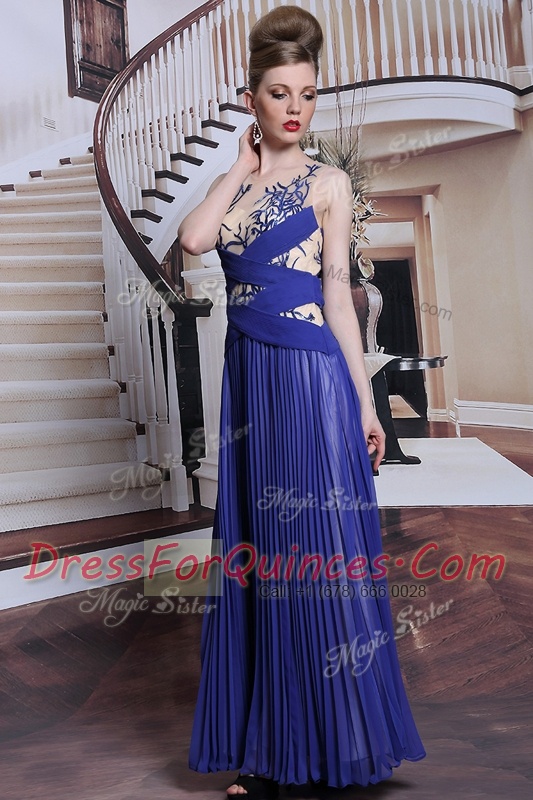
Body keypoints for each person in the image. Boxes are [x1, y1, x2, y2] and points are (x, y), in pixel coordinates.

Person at [178, 6, 426, 799]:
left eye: (308, 94)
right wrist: (235, 168)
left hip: (311, 380)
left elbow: (339, 299)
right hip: (249, 380)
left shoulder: (328, 183)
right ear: (250, 100)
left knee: (315, 556)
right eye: (279, 93)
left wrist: (364, 405)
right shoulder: (233, 189)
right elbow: (192, 242)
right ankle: (264, 752)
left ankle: (336, 739)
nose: (295, 108)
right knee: (257, 558)